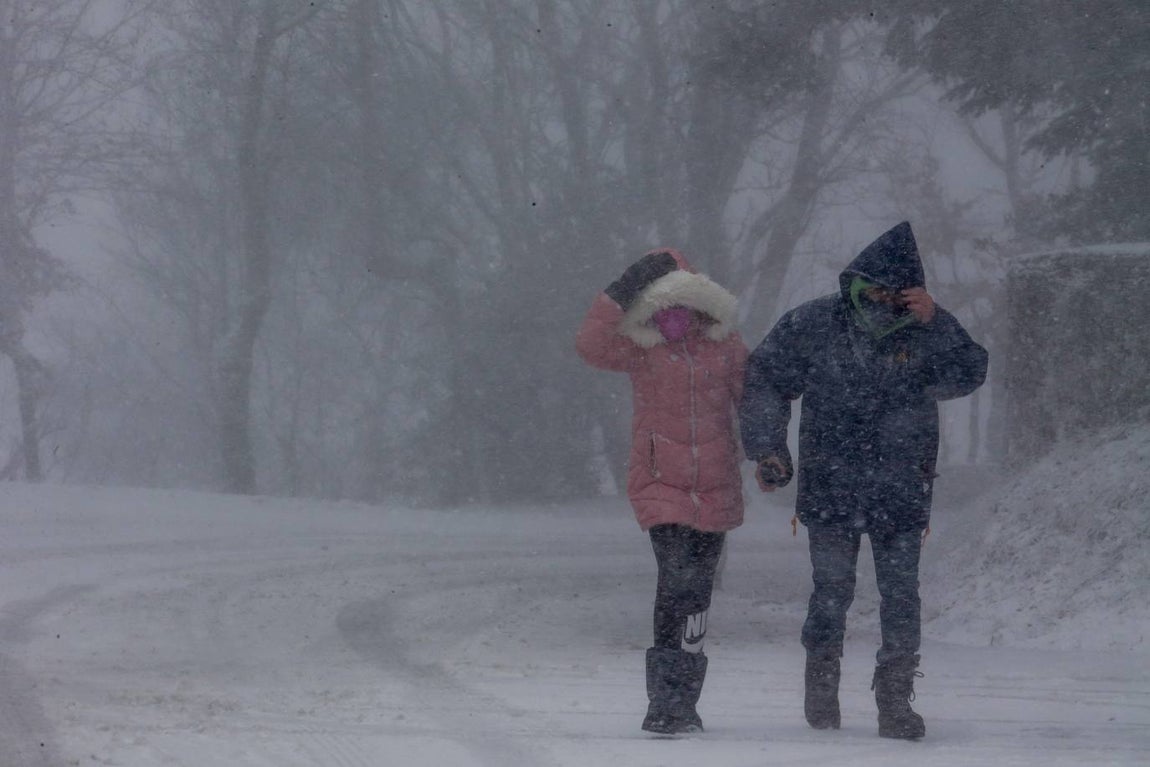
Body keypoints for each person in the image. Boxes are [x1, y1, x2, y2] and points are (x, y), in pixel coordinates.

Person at [739, 222, 988, 740]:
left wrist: (937, 322)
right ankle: (821, 693)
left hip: (902, 487)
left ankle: (895, 703)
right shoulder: (813, 323)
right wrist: (768, 448)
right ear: (856, 281)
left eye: (896, 291)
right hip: (831, 486)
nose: (884, 299)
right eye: (876, 287)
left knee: (901, 596)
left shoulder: (926, 329)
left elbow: (967, 374)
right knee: (831, 591)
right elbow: (764, 375)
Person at [576, 249, 748, 735]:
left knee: (696, 593)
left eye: (680, 309)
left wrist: (768, 451)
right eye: (661, 310)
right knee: (675, 581)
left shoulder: (727, 347)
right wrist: (618, 291)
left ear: (699, 309)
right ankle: (663, 702)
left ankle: (684, 700)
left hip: (715, 487)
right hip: (660, 485)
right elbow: (590, 344)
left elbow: (754, 398)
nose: (671, 320)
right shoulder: (642, 350)